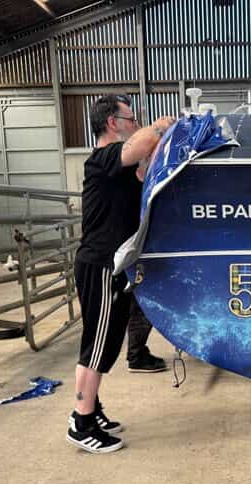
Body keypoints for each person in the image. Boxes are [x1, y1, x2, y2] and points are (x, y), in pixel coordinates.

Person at [66, 93, 175, 454]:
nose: (136, 125)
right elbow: (141, 143)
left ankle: (91, 409)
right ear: (113, 123)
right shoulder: (104, 158)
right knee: (97, 346)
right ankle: (81, 422)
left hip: (111, 264)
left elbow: (147, 164)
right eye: (131, 119)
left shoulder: (123, 169)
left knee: (107, 342)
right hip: (99, 264)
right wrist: (163, 124)